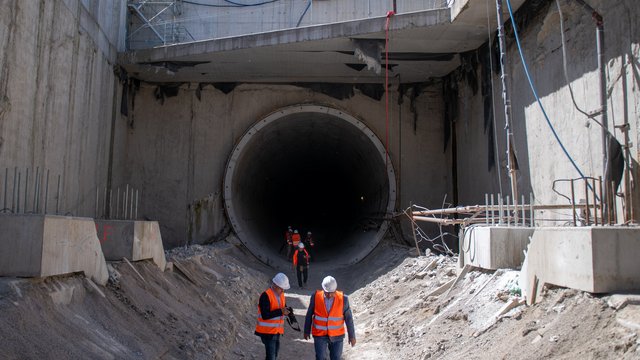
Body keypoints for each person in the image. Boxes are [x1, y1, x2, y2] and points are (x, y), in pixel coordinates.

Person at [304, 276, 356, 360]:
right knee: (320, 357)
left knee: (336, 357)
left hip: (337, 336)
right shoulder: (315, 297)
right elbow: (309, 314)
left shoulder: (344, 299)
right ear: (323, 289)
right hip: (320, 335)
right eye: (327, 292)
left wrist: (352, 336)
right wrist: (306, 330)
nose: (329, 295)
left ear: (335, 290)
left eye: (332, 292)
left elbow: (349, 319)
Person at [255, 273, 291, 360]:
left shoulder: (281, 295)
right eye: (281, 288)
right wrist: (281, 311)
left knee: (274, 356)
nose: (282, 291)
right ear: (275, 285)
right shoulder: (265, 296)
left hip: (277, 332)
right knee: (271, 357)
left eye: (283, 289)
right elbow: (265, 315)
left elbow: (283, 307)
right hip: (267, 333)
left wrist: (287, 312)